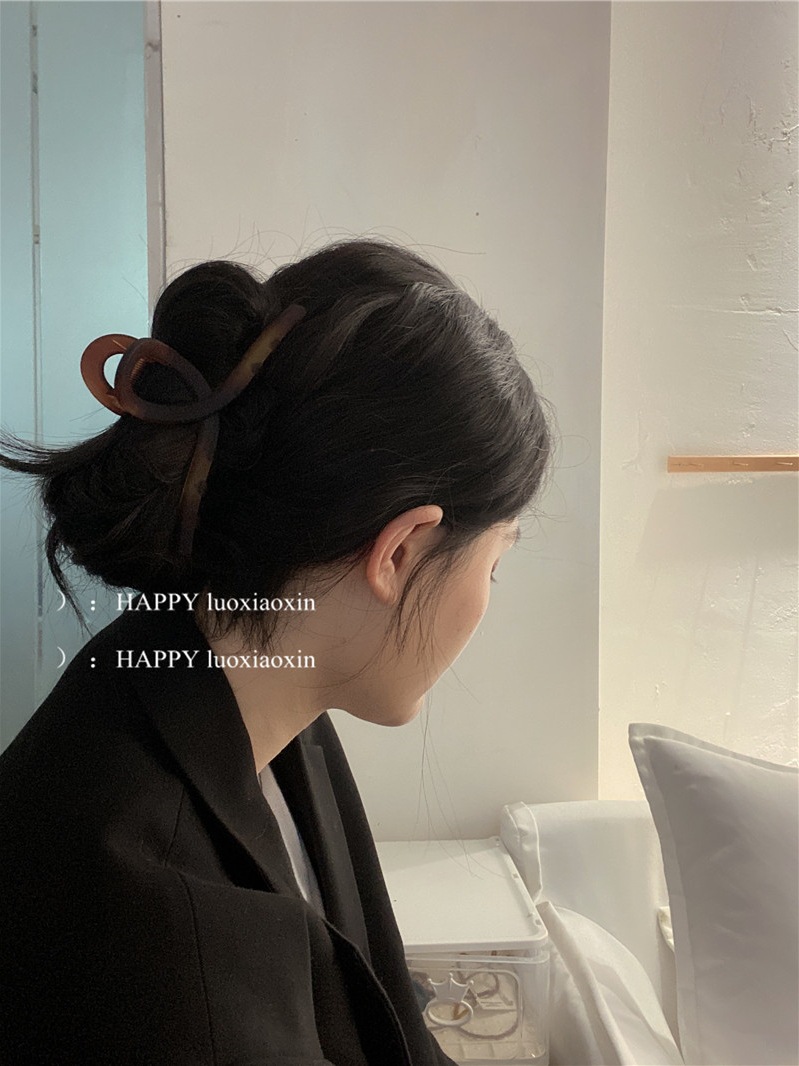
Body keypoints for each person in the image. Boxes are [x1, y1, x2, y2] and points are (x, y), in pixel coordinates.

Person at [0, 238, 551, 1064]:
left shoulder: (250, 687)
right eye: (493, 565)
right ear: (400, 552)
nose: (485, 602)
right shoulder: (156, 917)